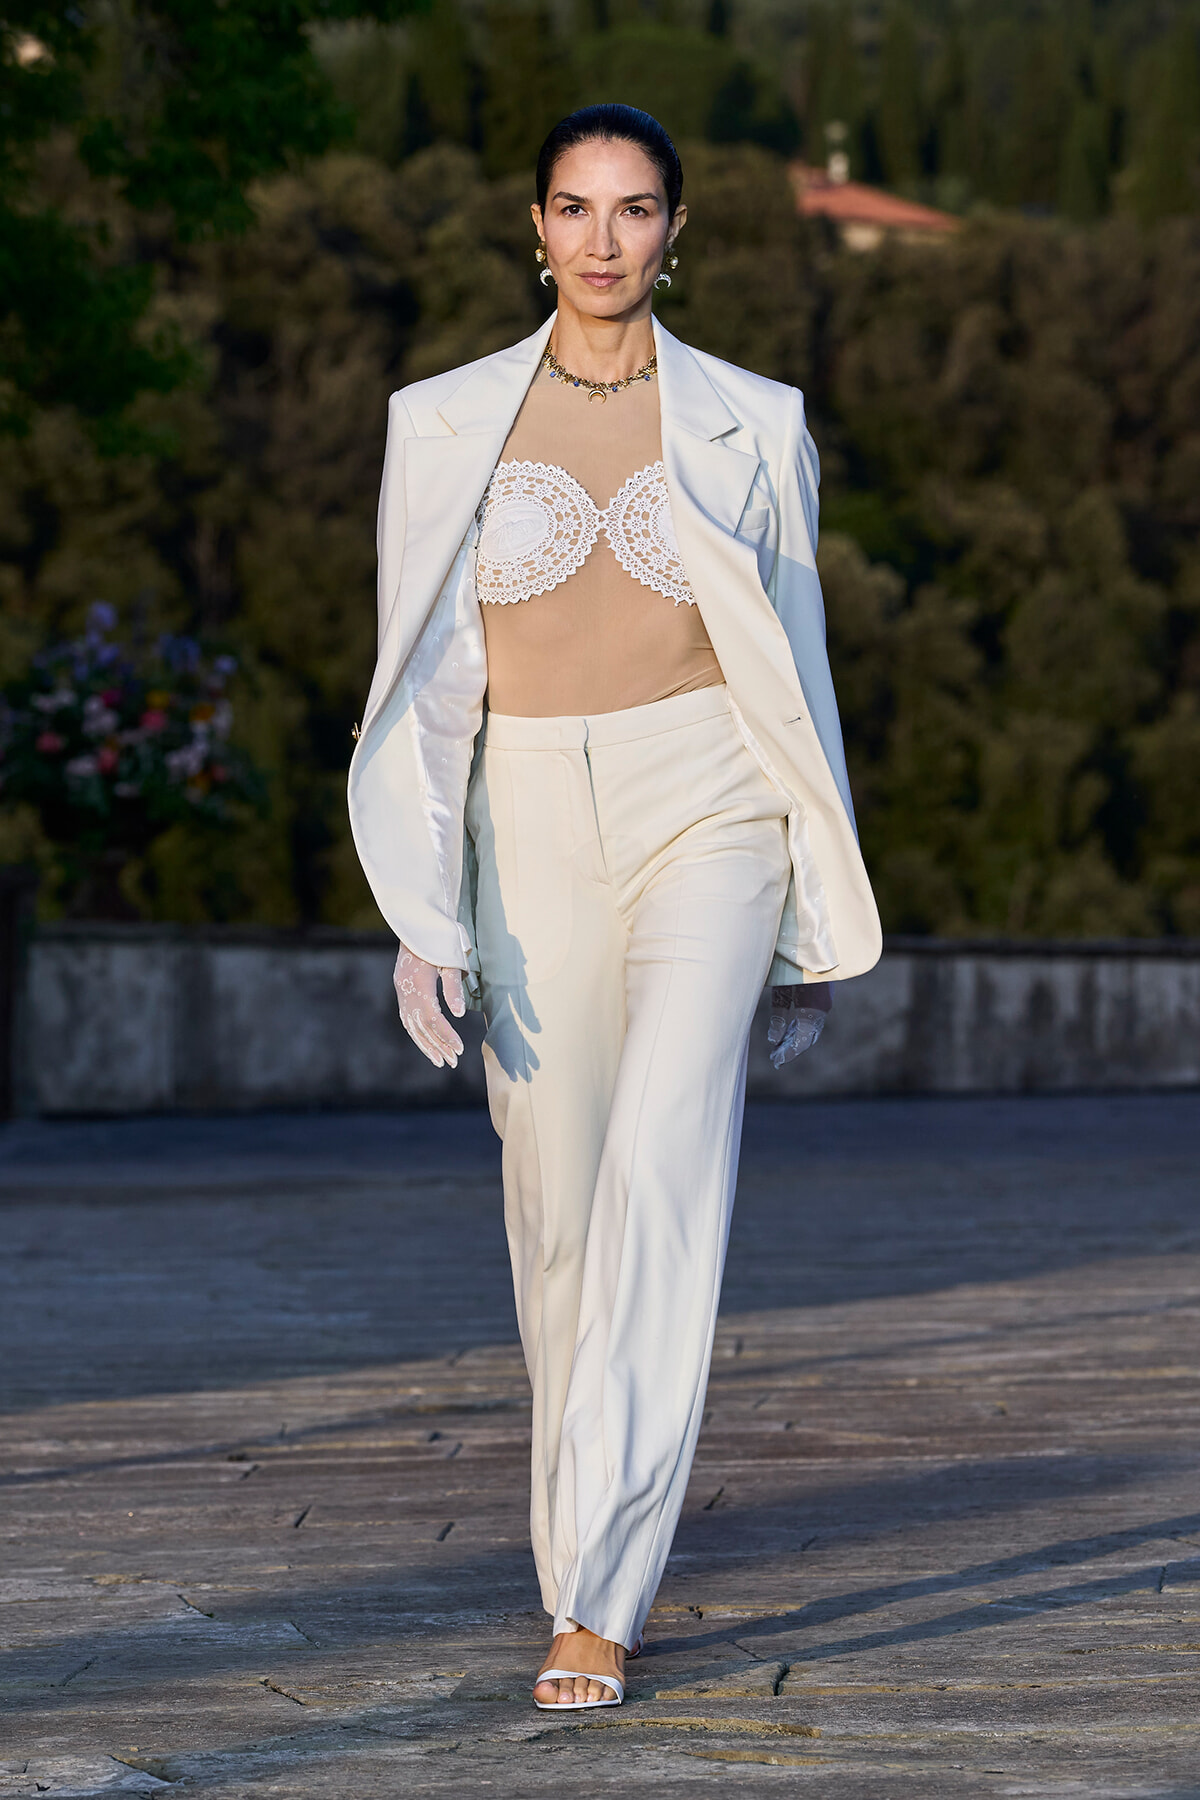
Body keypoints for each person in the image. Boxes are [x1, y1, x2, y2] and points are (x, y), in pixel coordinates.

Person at [348, 103, 881, 1712]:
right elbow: (420, 687)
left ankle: (601, 1596)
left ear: (675, 230)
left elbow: (798, 668)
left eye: (634, 209)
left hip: (707, 798)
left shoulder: (755, 420)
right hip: (524, 815)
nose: (602, 239)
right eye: (575, 208)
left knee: (663, 1158)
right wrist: (423, 906)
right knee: (564, 1208)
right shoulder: (442, 421)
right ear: (535, 229)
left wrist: (809, 895)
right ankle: (572, 1548)